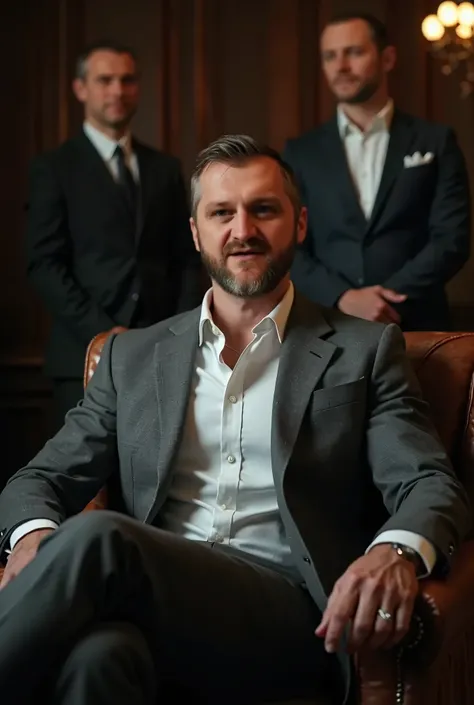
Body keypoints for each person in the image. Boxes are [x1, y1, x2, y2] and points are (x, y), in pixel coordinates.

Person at [0, 135, 470, 705]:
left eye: (262, 210)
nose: (241, 230)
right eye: (221, 213)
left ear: (298, 224)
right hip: (157, 600)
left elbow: (428, 482)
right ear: (196, 232)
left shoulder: (364, 351)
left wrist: (393, 552)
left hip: (291, 615)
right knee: (100, 658)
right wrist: (33, 539)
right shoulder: (133, 358)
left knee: (102, 539)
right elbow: (38, 479)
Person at [26, 40, 202, 430]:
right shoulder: (54, 168)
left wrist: (178, 330)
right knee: (85, 486)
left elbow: (188, 257)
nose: (117, 91)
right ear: (80, 88)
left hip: (161, 350)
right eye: (105, 80)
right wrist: (102, 332)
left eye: (127, 80)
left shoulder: (164, 168)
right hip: (82, 355)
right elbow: (44, 265)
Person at [283, 12, 471, 331]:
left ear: (387, 58)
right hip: (328, 326)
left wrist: (385, 299)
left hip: (416, 323)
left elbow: (451, 238)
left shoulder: (435, 141)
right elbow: (289, 246)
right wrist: (343, 296)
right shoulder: (301, 152)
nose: (341, 66)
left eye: (354, 52)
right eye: (330, 56)